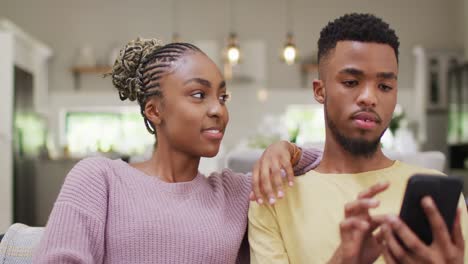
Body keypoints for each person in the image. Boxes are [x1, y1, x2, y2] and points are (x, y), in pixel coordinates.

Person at [33, 38, 321, 263]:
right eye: (199, 95)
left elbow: (338, 160)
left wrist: (285, 149)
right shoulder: (100, 178)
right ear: (154, 110)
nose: (218, 110)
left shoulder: (233, 192)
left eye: (223, 97)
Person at [248, 13, 468, 264]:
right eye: (352, 82)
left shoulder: (436, 193)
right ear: (320, 91)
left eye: (384, 87)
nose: (369, 97)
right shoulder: (274, 199)